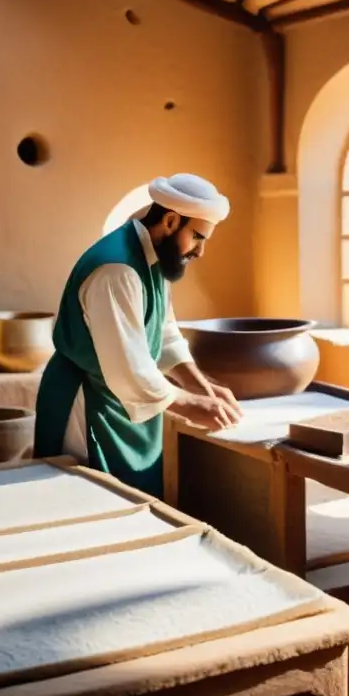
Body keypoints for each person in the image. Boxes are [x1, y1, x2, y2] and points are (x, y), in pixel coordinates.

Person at [33, 173, 243, 496]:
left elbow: (163, 330)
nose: (200, 251)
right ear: (171, 221)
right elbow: (128, 370)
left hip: (122, 402)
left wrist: (200, 385)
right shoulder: (117, 270)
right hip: (88, 402)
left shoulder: (155, 255)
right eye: (198, 237)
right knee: (90, 505)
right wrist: (189, 404)